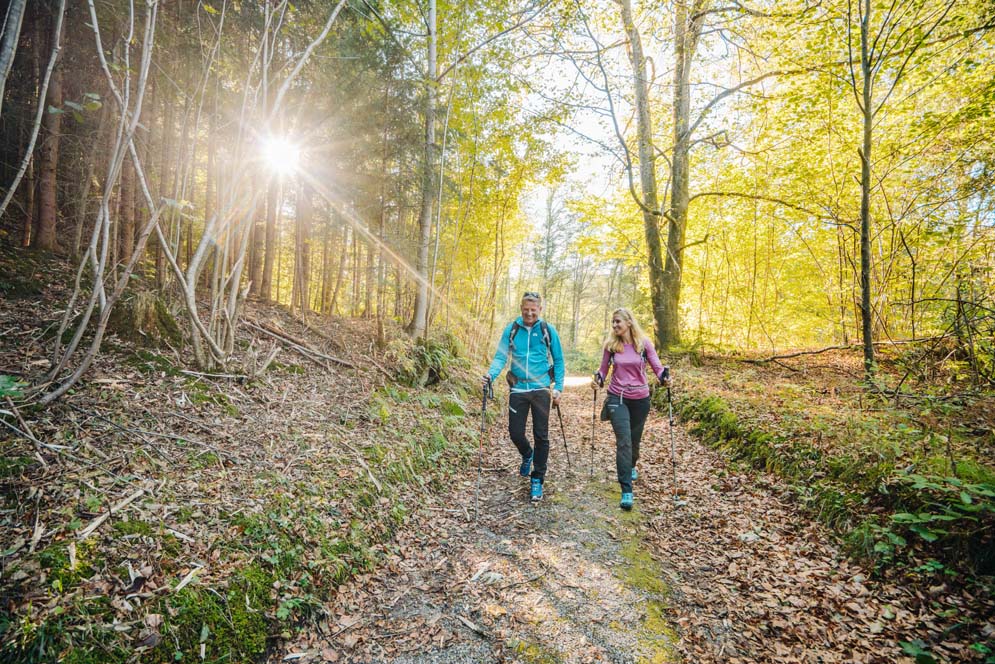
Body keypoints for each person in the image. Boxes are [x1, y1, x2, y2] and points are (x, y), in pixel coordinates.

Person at [483, 292, 565, 503]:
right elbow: (501, 356)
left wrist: (559, 388)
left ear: (539, 309)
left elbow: (559, 359)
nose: (529, 313)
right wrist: (490, 375)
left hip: (541, 389)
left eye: (533, 309)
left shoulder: (548, 330)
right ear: (521, 308)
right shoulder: (512, 329)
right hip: (518, 388)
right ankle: (527, 454)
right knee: (515, 432)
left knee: (541, 435)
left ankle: (537, 479)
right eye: (526, 309)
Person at [593, 308, 670, 511]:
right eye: (613, 322)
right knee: (624, 442)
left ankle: (632, 465)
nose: (615, 325)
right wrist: (598, 379)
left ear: (629, 322)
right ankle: (626, 489)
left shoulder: (643, 344)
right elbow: (603, 370)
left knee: (634, 442)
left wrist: (664, 378)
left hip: (640, 399)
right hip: (617, 397)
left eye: (618, 321)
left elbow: (657, 367)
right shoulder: (611, 346)